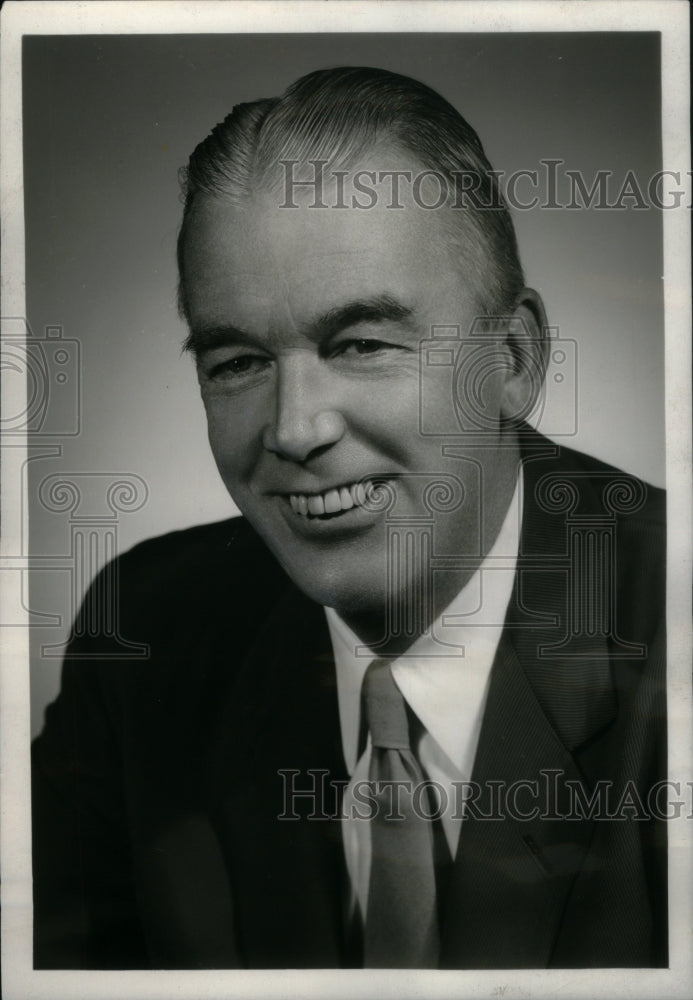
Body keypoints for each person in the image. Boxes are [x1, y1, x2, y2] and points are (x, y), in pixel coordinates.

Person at [32, 66, 666, 970]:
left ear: (514, 359)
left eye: (361, 344)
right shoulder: (143, 637)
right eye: (238, 362)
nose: (294, 430)